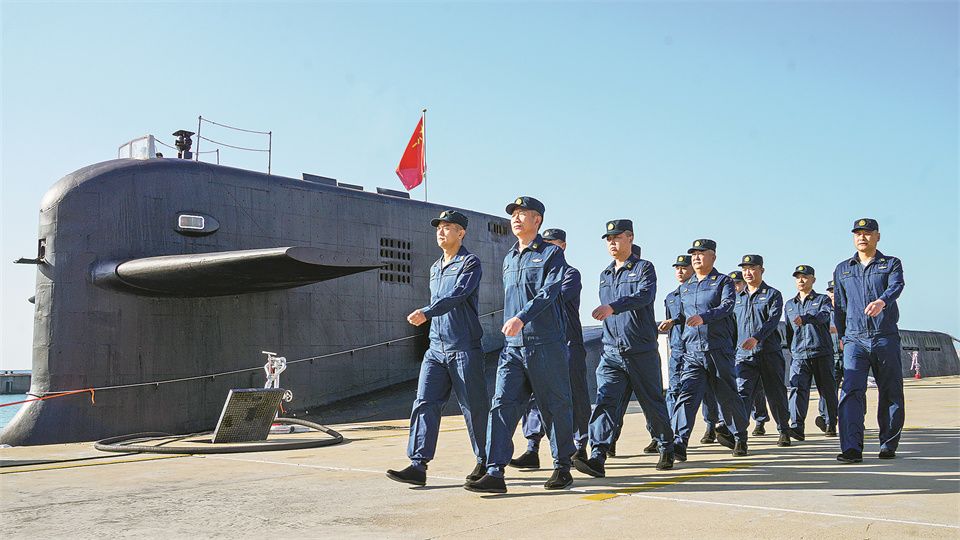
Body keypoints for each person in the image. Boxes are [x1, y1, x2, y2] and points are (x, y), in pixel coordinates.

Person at [465, 197, 575, 493]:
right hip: (513, 347)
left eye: (522, 213)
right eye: (513, 214)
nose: (515, 218)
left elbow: (550, 292)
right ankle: (494, 472)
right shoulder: (509, 258)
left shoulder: (551, 253)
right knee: (502, 405)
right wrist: (514, 326)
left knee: (554, 405)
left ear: (537, 220)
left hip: (544, 343)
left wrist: (522, 318)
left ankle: (562, 467)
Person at [387, 210, 490, 487]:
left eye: (447, 227)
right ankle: (418, 465)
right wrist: (430, 317)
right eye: (438, 228)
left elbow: (458, 295)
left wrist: (427, 312)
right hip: (436, 348)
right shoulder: (435, 267)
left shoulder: (470, 263)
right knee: (425, 403)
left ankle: (486, 462)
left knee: (474, 407)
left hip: (463, 346)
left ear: (461, 233)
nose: (441, 232)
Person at [574, 220, 675, 478]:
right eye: (608, 239)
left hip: (640, 350)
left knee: (651, 402)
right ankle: (597, 456)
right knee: (605, 402)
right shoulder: (605, 274)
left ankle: (666, 446)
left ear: (630, 237)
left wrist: (613, 307)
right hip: (611, 352)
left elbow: (644, 296)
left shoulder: (644, 268)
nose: (612, 242)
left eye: (617, 237)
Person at [510, 228, 591, 468]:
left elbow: (554, 297)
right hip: (541, 343)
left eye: (552, 243)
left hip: (568, 342)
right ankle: (532, 448)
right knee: (535, 396)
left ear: (562, 246)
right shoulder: (535, 273)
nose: (547, 247)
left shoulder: (569, 274)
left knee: (573, 394)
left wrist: (531, 302)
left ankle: (579, 446)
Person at [833, 218, 905, 463]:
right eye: (858, 234)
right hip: (854, 339)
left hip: (884, 336)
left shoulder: (891, 264)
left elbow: (897, 286)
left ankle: (888, 443)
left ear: (877, 236)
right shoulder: (843, 269)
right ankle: (852, 448)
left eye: (867, 233)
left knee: (890, 390)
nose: (862, 237)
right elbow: (840, 306)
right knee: (851, 391)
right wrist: (843, 337)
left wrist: (882, 301)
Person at [671, 239, 750, 459]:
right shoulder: (685, 287)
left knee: (728, 396)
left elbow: (727, 307)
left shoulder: (723, 281)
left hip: (717, 349)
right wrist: (673, 321)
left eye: (701, 253)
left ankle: (740, 437)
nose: (696, 257)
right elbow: (684, 315)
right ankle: (679, 443)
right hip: (692, 352)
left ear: (713, 256)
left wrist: (704, 318)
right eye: (693, 254)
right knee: (687, 396)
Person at [726, 254, 797, 448]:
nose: (747, 272)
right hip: (743, 356)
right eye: (744, 269)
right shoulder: (736, 299)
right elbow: (731, 327)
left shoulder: (773, 294)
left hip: (768, 353)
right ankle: (740, 438)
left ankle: (784, 430)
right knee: (742, 394)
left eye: (752, 268)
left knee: (776, 394)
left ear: (761, 270)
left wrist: (756, 337)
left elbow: (772, 321)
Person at [784, 265, 838, 439]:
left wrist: (806, 318)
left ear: (813, 280)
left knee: (827, 390)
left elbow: (824, 316)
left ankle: (830, 423)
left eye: (805, 277)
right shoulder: (790, 304)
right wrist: (793, 349)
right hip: (799, 354)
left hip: (821, 352)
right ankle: (797, 427)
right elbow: (789, 331)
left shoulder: (822, 300)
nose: (801, 280)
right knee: (797, 389)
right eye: (798, 277)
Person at [730, 270, 771, 437]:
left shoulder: (761, 297)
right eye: (732, 285)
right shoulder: (732, 303)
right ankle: (740, 429)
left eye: (737, 284)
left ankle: (760, 419)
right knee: (743, 390)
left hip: (762, 352)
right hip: (740, 354)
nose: (735, 287)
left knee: (758, 390)